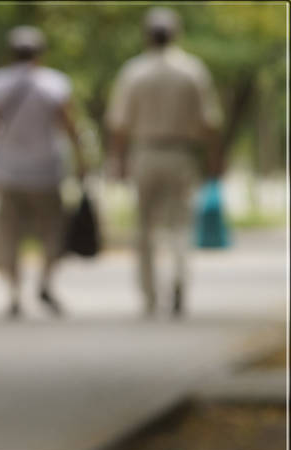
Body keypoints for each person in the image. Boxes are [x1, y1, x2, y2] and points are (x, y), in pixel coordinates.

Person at [105, 7, 224, 318]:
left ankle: (149, 296)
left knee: (144, 228)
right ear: (176, 33)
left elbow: (119, 124)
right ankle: (180, 281)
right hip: (182, 154)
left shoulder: (134, 72)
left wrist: (116, 161)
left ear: (147, 35)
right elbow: (210, 122)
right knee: (180, 225)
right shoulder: (192, 71)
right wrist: (214, 159)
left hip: (144, 153)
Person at [0, 26, 86, 318]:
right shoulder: (55, 84)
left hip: (8, 172)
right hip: (46, 172)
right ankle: (46, 282)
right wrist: (82, 160)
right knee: (52, 231)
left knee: (8, 234)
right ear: (41, 53)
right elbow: (70, 126)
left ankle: (14, 292)